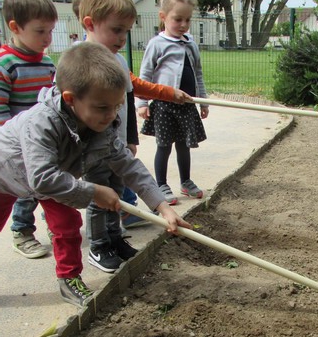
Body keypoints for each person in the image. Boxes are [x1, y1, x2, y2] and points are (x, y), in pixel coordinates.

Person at [0, 42, 191, 307]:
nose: (111, 115)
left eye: (117, 106)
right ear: (70, 99)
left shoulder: (100, 124)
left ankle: (69, 280)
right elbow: (42, 176)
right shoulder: (41, 122)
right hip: (6, 175)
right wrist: (93, 191)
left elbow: (127, 164)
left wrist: (163, 207)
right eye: (103, 107)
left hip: (53, 181)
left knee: (67, 227)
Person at [73, 0, 192, 273]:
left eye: (126, 31)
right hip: (91, 146)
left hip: (115, 145)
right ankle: (99, 246)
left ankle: (115, 238)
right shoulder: (80, 63)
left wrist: (130, 136)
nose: (123, 38)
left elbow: (132, 90)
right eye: (116, 30)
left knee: (116, 190)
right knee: (99, 196)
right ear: (90, 23)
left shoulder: (114, 59)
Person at [136, 0, 209, 206]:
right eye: (178, 19)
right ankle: (161, 184)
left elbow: (198, 73)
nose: (183, 24)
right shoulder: (157, 44)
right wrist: (142, 102)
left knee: (184, 145)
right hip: (164, 105)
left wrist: (203, 101)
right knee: (164, 145)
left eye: (187, 20)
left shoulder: (191, 45)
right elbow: (145, 74)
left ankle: (185, 181)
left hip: (187, 104)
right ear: (163, 16)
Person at [0, 0, 57, 259]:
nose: (47, 38)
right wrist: (17, 142)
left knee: (46, 185)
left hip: (44, 138)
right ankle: (22, 230)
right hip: (17, 144)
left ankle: (51, 224)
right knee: (25, 189)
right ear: (15, 27)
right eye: (40, 31)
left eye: (50, 31)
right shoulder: (6, 64)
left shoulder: (47, 63)